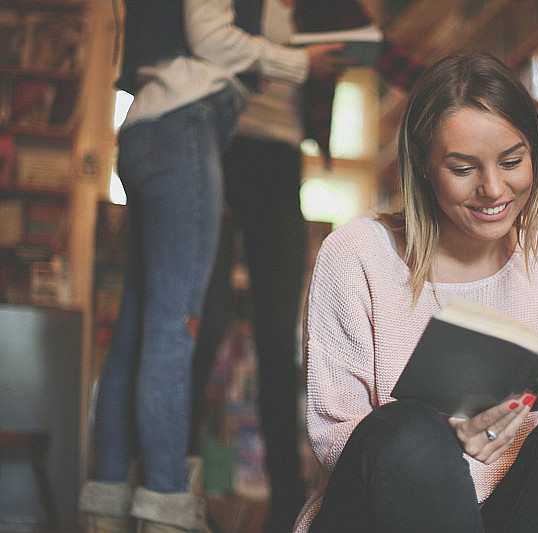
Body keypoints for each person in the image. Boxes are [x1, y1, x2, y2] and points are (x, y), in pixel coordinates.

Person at [294, 51, 538, 533]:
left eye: (512, 161)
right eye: (463, 168)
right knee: (410, 430)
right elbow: (335, 439)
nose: (493, 188)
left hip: (514, 514)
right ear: (420, 162)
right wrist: (444, 440)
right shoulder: (356, 255)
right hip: (387, 510)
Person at [77, 1, 346, 532]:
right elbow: (210, 35)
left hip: (149, 121)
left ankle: (106, 504)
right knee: (177, 328)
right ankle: (167, 506)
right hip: (190, 119)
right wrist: (298, 64)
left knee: (137, 327)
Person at [187, 1, 426, 531]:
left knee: (279, 338)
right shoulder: (231, 6)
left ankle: (286, 496)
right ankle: (179, 483)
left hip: (279, 162)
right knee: (205, 330)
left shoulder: (329, 6)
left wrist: (475, 94)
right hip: (217, 151)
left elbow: (393, 59)